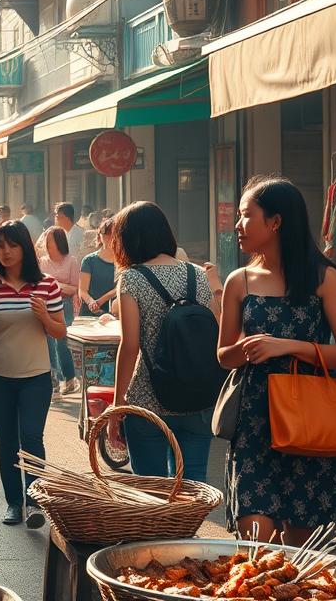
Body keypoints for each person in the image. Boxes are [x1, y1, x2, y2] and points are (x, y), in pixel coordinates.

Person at [216, 176, 336, 542]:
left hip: (308, 422)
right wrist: (248, 348)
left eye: (247, 215)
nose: (237, 225)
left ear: (276, 222)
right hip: (255, 422)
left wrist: (288, 346)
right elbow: (223, 356)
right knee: (253, 543)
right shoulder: (239, 281)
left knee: (303, 549)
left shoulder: (323, 277)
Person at [106, 202, 220, 481]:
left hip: (147, 398)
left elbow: (130, 345)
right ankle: (186, 527)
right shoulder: (198, 274)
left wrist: (117, 406)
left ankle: (158, 528)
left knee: (151, 488)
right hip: (197, 395)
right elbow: (215, 330)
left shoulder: (131, 279)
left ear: (128, 239)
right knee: (192, 486)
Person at [0, 220, 66, 527]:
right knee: (7, 440)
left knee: (32, 437)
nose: (6, 252)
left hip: (36, 377)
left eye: (12, 245)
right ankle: (14, 503)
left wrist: (44, 317)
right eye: (0, 246)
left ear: (25, 248)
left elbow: (60, 332)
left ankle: (36, 501)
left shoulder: (47, 285)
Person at [39, 226, 81, 397]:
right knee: (48, 342)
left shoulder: (71, 261)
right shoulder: (42, 261)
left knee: (62, 342)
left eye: (50, 241)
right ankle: (54, 380)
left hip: (65, 305)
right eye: (46, 241)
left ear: (59, 242)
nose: (47, 245)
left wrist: (55, 285)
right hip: (45, 305)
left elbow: (74, 289)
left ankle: (70, 379)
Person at [79, 219, 118, 315]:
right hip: (89, 313)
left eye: (114, 234)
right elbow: (82, 290)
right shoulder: (89, 260)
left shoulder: (124, 261)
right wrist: (91, 302)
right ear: (99, 237)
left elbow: (121, 287)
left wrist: (101, 300)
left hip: (115, 313)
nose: (110, 237)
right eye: (106, 233)